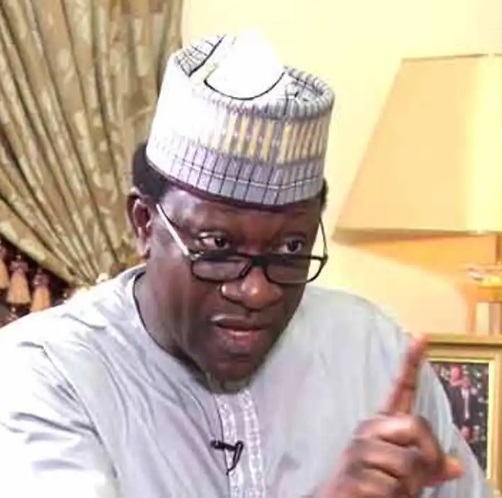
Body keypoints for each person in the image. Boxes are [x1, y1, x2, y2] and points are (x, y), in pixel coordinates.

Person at [0, 30, 492, 498]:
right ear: (145, 223)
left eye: (291, 249)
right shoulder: (46, 373)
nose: (257, 292)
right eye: (217, 245)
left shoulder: (372, 350)